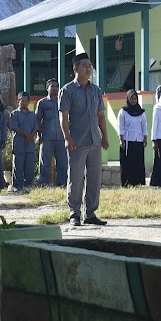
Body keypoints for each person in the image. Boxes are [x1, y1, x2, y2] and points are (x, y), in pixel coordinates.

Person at [59, 53, 110, 226]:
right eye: (84, 66)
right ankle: (74, 213)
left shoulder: (95, 90)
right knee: (76, 178)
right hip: (77, 142)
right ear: (75, 69)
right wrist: (67, 137)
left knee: (94, 178)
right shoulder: (67, 90)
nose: (88, 69)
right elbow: (63, 116)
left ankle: (91, 213)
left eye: (90, 66)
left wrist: (104, 136)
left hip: (95, 141)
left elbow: (101, 116)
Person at [36, 78, 67, 186]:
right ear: (47, 88)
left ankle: (62, 183)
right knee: (45, 162)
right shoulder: (42, 103)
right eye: (52, 86)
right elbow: (38, 120)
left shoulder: (63, 101)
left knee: (63, 162)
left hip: (62, 137)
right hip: (47, 137)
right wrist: (38, 135)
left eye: (56, 86)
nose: (54, 89)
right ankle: (43, 183)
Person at [9, 92, 38, 191]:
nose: (24, 102)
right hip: (19, 143)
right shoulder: (14, 114)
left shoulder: (32, 115)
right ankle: (17, 186)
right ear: (18, 101)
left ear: (28, 102)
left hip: (30, 144)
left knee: (30, 166)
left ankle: (28, 185)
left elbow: (36, 127)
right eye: (22, 100)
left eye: (26, 100)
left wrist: (31, 136)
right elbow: (14, 127)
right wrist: (26, 135)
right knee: (18, 165)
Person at [118, 89, 147, 187]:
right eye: (131, 98)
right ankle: (127, 182)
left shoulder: (141, 112)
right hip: (127, 140)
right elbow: (120, 126)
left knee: (137, 162)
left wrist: (145, 137)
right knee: (127, 163)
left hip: (138, 140)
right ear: (128, 99)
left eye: (135, 98)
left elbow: (144, 125)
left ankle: (137, 182)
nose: (133, 100)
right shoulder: (123, 111)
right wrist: (121, 139)